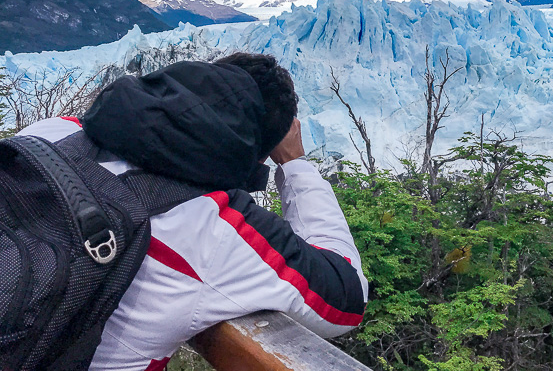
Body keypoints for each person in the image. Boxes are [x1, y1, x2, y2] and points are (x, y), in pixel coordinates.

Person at [18, 52, 368, 371]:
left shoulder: (51, 132)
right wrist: (295, 164)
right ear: (258, 152)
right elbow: (345, 295)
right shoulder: (213, 228)